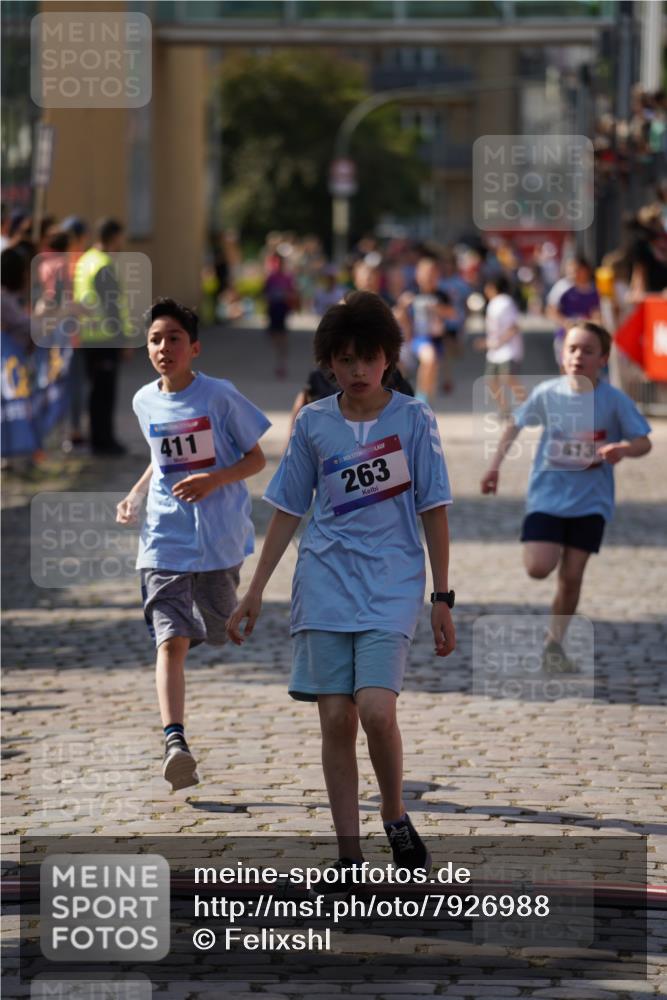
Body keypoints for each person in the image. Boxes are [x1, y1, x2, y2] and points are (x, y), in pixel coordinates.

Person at [227, 291, 455, 881]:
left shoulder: (413, 419)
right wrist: (254, 591)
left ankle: (395, 813)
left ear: (389, 360)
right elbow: (285, 509)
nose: (357, 371)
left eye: (368, 358)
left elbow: (433, 508)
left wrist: (442, 597)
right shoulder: (313, 422)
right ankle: (349, 856)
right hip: (324, 581)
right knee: (335, 721)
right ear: (329, 361)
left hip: (392, 583)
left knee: (377, 710)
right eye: (345, 360)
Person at [116, 298, 270, 790]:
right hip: (163, 537)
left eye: (174, 339)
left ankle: (209, 620)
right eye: (156, 340)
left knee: (219, 628)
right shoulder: (145, 401)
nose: (164, 347)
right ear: (147, 349)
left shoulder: (219, 397)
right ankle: (175, 741)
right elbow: (160, 459)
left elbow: (256, 458)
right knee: (171, 640)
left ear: (195, 348)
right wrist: (137, 493)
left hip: (219, 539)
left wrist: (214, 479)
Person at [481, 321, 651, 672]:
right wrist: (494, 466)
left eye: (588, 351)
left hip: (591, 503)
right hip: (547, 497)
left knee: (572, 577)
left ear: (602, 359)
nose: (578, 356)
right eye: (573, 349)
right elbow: (514, 424)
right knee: (539, 567)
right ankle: (550, 554)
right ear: (562, 355)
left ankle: (553, 644)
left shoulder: (614, 401)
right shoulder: (548, 393)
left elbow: (644, 440)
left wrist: (624, 448)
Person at [73, 218, 133, 455]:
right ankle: (104, 441)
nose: (122, 241)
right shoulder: (103, 264)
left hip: (89, 335)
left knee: (96, 390)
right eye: (120, 236)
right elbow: (112, 306)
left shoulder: (86, 260)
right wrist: (124, 339)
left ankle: (99, 439)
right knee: (104, 392)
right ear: (113, 236)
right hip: (105, 337)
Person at [395, 256, 453, 406]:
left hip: (436, 339)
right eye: (425, 273)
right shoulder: (411, 294)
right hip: (417, 338)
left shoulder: (441, 295)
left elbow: (453, 314)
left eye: (432, 273)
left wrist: (439, 309)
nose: (428, 276)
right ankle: (419, 397)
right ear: (417, 275)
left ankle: (425, 405)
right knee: (429, 358)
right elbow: (397, 315)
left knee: (432, 375)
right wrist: (402, 306)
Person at [474, 274, 525, 419]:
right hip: (495, 351)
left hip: (508, 350)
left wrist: (497, 342)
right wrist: (489, 343)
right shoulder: (493, 303)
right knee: (490, 380)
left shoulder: (505, 302)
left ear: (493, 287)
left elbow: (513, 327)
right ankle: (504, 409)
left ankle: (528, 405)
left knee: (508, 378)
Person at [546, 256, 601, 370]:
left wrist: (592, 323)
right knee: (566, 368)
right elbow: (551, 311)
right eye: (570, 270)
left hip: (589, 338)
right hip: (565, 336)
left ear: (586, 270)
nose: (573, 274)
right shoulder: (562, 287)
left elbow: (599, 313)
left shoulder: (596, 289)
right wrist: (567, 323)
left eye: (576, 270)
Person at [263, 253, 297, 379]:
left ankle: (281, 361)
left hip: (282, 308)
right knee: (274, 335)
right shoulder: (271, 277)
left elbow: (292, 292)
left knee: (282, 335)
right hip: (273, 308)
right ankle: (279, 358)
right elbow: (265, 292)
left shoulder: (287, 278)